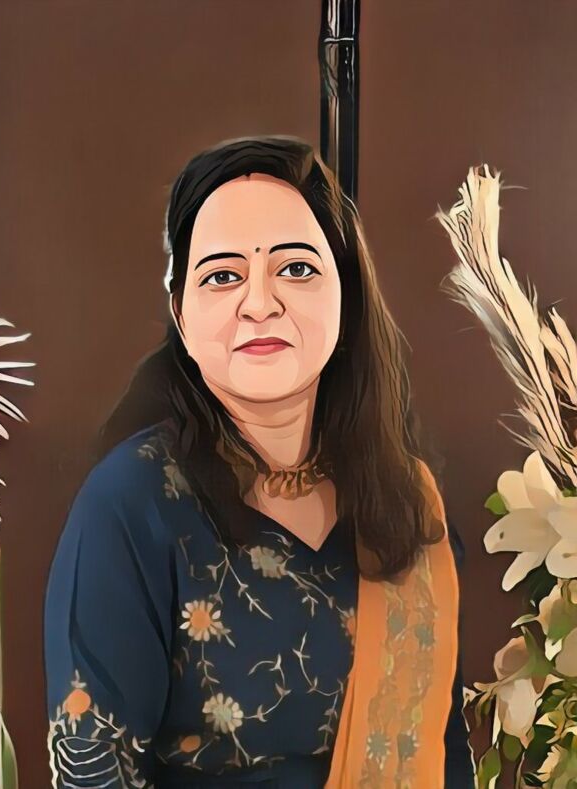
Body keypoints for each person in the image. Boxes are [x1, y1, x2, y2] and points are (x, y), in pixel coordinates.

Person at [44, 135, 474, 788]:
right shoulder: (131, 506)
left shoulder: (405, 500)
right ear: (181, 316)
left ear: (346, 294)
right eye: (222, 276)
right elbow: (94, 768)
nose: (260, 302)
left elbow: (444, 749)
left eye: (296, 268)